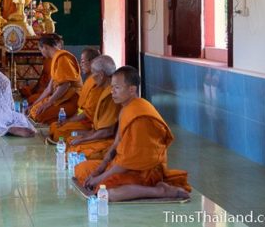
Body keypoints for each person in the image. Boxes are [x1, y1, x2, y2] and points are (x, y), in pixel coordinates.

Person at [74, 66, 191, 201]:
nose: (112, 92)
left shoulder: (140, 116)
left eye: (117, 88)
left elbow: (127, 162)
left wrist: (100, 178)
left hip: (144, 171)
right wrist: (100, 169)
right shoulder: (125, 109)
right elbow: (117, 143)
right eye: (112, 87)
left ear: (132, 89)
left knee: (106, 191)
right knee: (82, 169)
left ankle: (159, 190)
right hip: (125, 165)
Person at [66, 56, 121, 159]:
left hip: (109, 141)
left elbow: (107, 131)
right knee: (71, 141)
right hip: (98, 133)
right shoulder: (105, 90)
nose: (92, 78)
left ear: (101, 75)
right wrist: (85, 136)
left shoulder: (112, 95)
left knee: (75, 151)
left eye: (93, 73)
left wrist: (83, 139)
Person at [48, 51, 106, 142]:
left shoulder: (97, 83)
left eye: (82, 61)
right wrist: (70, 120)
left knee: (59, 133)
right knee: (54, 126)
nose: (80, 64)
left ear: (92, 62)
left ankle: (83, 133)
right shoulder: (89, 80)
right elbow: (81, 108)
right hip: (82, 118)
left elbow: (88, 112)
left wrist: (69, 121)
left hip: (89, 123)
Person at [28, 33, 82, 124]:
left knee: (39, 115)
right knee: (34, 110)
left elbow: (65, 84)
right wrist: (34, 104)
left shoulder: (63, 58)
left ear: (45, 47)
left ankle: (70, 119)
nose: (42, 53)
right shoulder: (55, 59)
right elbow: (49, 89)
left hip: (72, 100)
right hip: (62, 98)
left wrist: (48, 103)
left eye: (41, 50)